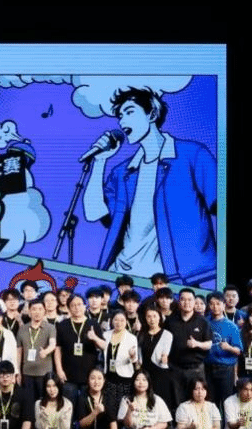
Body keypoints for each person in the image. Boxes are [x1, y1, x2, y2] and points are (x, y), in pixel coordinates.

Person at [82, 86, 217, 285]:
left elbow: (219, 204)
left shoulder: (191, 155)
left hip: (167, 278)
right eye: (120, 116)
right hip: (122, 275)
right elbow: (94, 213)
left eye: (129, 112)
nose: (122, 121)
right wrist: (100, 161)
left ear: (152, 114)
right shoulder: (123, 172)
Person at [164, 288, 212, 406]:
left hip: (196, 369)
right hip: (175, 369)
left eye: (190, 300)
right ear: (179, 302)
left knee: (197, 400)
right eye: (183, 299)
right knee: (177, 402)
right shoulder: (170, 321)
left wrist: (197, 344)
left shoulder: (203, 322)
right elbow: (163, 342)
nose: (186, 303)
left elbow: (209, 344)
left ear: (194, 302)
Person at [52, 294, 100, 403]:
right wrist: (59, 370)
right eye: (73, 305)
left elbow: (103, 346)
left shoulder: (93, 324)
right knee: (68, 405)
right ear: (69, 308)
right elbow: (58, 349)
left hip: (89, 374)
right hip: (68, 374)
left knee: (87, 406)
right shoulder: (62, 325)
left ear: (85, 306)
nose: (77, 308)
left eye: (79, 304)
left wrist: (95, 338)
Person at [92, 310, 138, 418]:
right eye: (116, 320)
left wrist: (132, 356)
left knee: (123, 406)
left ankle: (121, 426)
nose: (119, 322)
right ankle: (112, 426)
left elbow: (134, 359)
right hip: (109, 376)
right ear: (112, 321)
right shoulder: (106, 335)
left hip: (124, 377)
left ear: (126, 322)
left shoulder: (131, 338)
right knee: (110, 406)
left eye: (122, 320)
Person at [204, 291, 243, 406]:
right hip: (207, 368)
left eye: (218, 303)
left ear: (224, 305)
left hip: (225, 369)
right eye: (212, 304)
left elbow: (239, 351)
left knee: (227, 403)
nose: (215, 307)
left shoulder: (231, 326)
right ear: (208, 305)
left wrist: (228, 347)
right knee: (210, 404)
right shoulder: (204, 323)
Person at [16, 299, 57, 402]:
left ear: (44, 311)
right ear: (29, 312)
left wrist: (46, 351)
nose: (37, 312)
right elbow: (19, 352)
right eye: (34, 309)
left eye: (40, 309)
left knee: (44, 401)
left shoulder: (50, 328)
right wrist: (18, 372)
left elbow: (53, 344)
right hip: (27, 373)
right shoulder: (22, 329)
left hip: (44, 373)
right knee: (28, 402)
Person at [138, 306, 175, 413]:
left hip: (161, 373)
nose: (152, 319)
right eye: (149, 316)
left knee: (162, 403)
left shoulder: (167, 334)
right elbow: (139, 355)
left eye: (155, 316)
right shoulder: (141, 334)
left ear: (160, 317)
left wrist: (165, 358)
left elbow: (167, 353)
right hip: (145, 374)